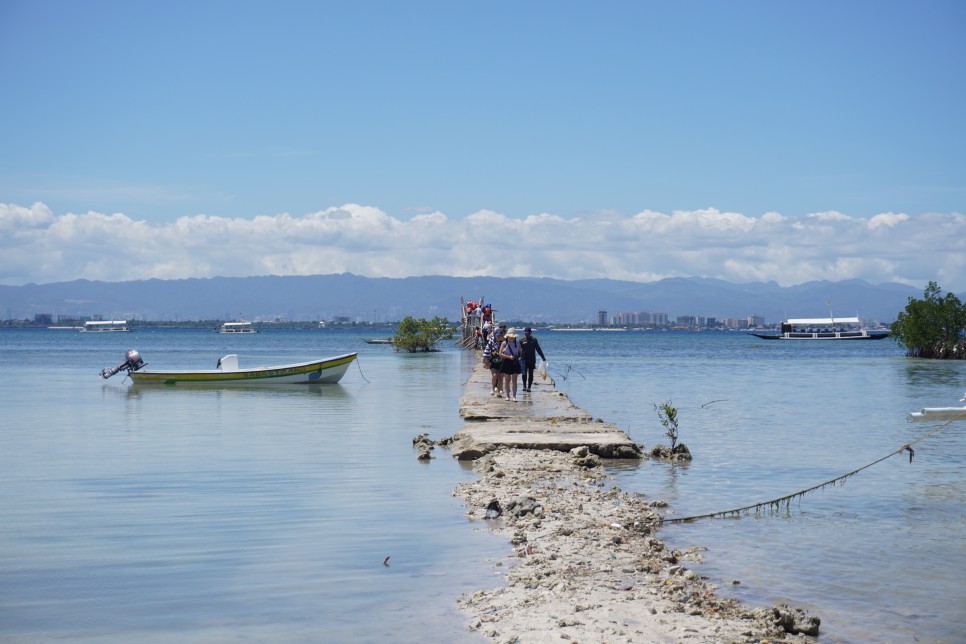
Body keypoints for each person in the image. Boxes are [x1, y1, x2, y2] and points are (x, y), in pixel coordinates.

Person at [498, 327, 522, 401]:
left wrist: (517, 357)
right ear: (507, 336)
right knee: (507, 379)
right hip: (507, 362)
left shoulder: (517, 344)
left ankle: (514, 396)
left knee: (514, 379)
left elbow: (520, 353)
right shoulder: (504, 343)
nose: (511, 338)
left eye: (512, 337)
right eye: (510, 336)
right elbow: (500, 354)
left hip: (514, 362)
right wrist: (508, 357)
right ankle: (507, 395)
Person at [519, 326, 546, 392]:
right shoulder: (521, 340)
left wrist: (543, 357)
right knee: (524, 373)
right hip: (523, 359)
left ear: (530, 333)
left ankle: (529, 387)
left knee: (531, 374)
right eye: (525, 333)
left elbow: (538, 349)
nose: (526, 335)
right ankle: (524, 386)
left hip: (531, 359)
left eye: (528, 333)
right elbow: (518, 350)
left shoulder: (534, 340)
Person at [483, 325, 504, 396]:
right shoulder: (491, 341)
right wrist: (486, 360)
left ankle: (499, 391)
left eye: (499, 336)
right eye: (497, 336)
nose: (498, 337)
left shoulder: (503, 342)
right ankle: (492, 389)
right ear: (495, 335)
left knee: (500, 377)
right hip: (493, 361)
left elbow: (506, 351)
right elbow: (486, 351)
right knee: (494, 375)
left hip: (501, 362)